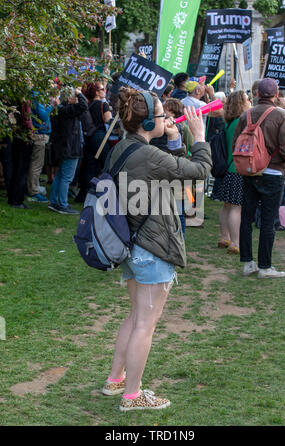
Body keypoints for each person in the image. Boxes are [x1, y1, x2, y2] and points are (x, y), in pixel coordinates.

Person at [101, 87, 212, 411]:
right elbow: (199, 173)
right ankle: (132, 396)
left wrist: (176, 142)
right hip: (151, 248)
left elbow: (173, 179)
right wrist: (199, 136)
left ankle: (115, 379)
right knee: (144, 324)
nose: (167, 118)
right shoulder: (147, 155)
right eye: (162, 114)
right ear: (149, 121)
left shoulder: (124, 148)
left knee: (136, 317)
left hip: (133, 245)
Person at [233, 78, 285, 278]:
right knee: (268, 221)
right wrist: (280, 164)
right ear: (276, 95)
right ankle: (265, 266)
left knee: (247, 218)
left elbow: (237, 143)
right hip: (273, 173)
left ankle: (247, 263)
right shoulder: (282, 116)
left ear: (257, 94)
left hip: (250, 171)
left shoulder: (246, 115)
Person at [211, 91, 251, 254]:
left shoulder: (229, 123)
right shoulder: (241, 123)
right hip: (237, 168)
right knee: (236, 207)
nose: (250, 101)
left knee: (227, 206)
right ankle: (235, 242)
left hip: (228, 169)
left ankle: (224, 237)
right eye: (248, 99)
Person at [48, 87, 88, 215]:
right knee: (66, 177)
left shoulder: (61, 110)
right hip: (71, 148)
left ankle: (54, 202)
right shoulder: (67, 110)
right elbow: (83, 105)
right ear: (69, 98)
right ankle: (62, 204)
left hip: (65, 147)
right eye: (74, 97)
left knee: (60, 175)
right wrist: (80, 93)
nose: (77, 99)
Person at [75, 81, 111, 202]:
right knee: (107, 164)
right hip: (100, 137)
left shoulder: (87, 104)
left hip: (88, 137)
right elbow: (108, 120)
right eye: (102, 89)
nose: (104, 91)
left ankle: (84, 195)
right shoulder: (103, 105)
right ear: (97, 92)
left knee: (90, 165)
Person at [26, 92, 56, 203]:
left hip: (40, 133)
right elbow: (43, 116)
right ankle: (33, 191)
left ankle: (33, 188)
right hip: (39, 134)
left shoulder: (37, 94)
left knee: (36, 164)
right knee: (36, 165)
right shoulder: (36, 95)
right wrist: (52, 105)